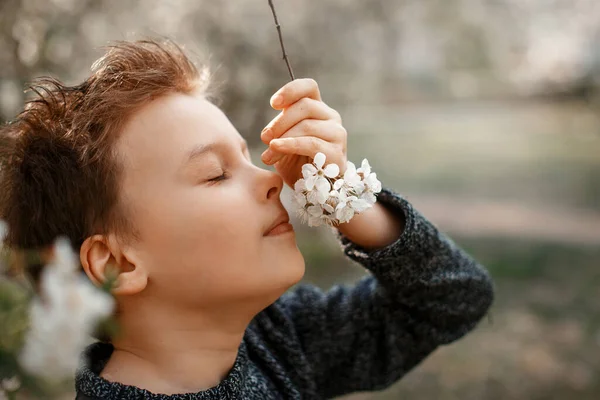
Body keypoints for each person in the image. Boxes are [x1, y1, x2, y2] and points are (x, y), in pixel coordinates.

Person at [0, 39, 494, 399]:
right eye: (216, 174)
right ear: (117, 264)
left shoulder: (279, 339)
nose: (272, 180)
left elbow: (453, 298)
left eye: (249, 158)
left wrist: (349, 198)